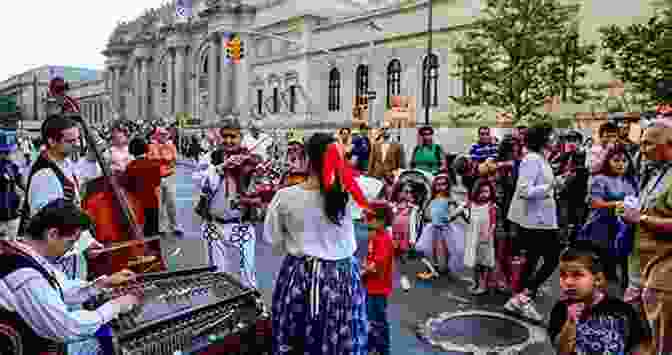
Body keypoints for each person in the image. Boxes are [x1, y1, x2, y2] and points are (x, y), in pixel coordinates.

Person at [264, 132, 368, 355]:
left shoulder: (285, 197)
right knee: (341, 339)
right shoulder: (351, 191)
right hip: (342, 278)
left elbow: (273, 238)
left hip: (301, 275)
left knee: (297, 339)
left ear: (306, 158)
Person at [0, 199, 140, 355]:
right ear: (52, 234)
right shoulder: (24, 274)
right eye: (70, 242)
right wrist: (115, 306)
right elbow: (66, 327)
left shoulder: (20, 249)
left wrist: (100, 284)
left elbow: (60, 288)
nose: (71, 249)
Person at [505, 124, 562, 322]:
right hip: (535, 222)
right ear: (542, 139)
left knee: (532, 261)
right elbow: (524, 191)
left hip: (542, 220)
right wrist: (551, 186)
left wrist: (553, 183)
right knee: (552, 258)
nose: (555, 139)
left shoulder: (541, 159)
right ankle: (523, 297)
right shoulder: (531, 159)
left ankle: (519, 300)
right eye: (551, 136)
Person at [548, 242, 649, 355]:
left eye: (577, 275)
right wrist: (570, 323)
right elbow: (561, 351)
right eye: (563, 275)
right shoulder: (561, 309)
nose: (568, 282)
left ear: (598, 279)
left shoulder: (623, 310)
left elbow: (639, 347)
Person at [198, 119, 261, 288]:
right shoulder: (211, 158)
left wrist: (256, 172)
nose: (228, 140)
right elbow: (201, 183)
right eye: (225, 136)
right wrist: (220, 168)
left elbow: (261, 191)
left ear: (241, 137)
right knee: (218, 273)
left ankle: (252, 301)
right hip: (214, 224)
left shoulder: (251, 159)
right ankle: (223, 304)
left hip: (242, 224)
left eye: (233, 136)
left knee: (247, 271)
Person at [361, 200, 394, 355]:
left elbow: (375, 266)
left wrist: (361, 271)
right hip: (371, 286)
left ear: (381, 220)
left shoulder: (384, 240)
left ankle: (381, 349)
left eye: (370, 218)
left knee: (377, 320)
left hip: (378, 287)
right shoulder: (376, 236)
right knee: (371, 318)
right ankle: (374, 346)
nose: (366, 220)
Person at [464, 178, 499, 295]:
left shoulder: (491, 207)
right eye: (481, 191)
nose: (484, 194)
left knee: (484, 264)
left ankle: (483, 285)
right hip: (473, 238)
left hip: (485, 240)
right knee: (475, 263)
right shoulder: (472, 204)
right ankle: (476, 282)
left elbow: (493, 223)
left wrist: (488, 235)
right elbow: (467, 216)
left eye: (487, 192)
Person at [148, 127, 182, 236]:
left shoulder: (170, 145)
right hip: (156, 178)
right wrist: (165, 159)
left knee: (171, 203)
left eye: (165, 134)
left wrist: (164, 159)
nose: (163, 136)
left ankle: (175, 226)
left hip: (169, 176)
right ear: (156, 135)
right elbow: (152, 160)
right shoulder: (151, 146)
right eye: (161, 134)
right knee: (159, 205)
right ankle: (161, 228)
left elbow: (175, 159)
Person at [0, 129, 24, 241]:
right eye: (4, 152)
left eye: (7, 152)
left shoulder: (12, 167)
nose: (7, 154)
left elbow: (22, 184)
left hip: (12, 215)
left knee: (12, 246)